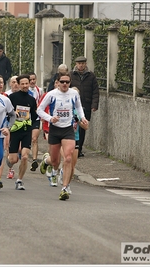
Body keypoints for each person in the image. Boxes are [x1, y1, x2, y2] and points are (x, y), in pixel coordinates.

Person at [37, 72, 88, 201]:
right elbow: (39, 110)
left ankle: (65, 188)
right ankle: (46, 161)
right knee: (55, 161)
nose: (65, 84)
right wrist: (50, 118)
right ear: (58, 82)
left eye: (67, 82)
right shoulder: (51, 95)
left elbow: (78, 107)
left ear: (70, 83)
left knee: (68, 158)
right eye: (62, 82)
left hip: (68, 130)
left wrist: (82, 118)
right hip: (55, 129)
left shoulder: (74, 94)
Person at [5, 74, 38, 190]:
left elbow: (34, 116)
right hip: (15, 131)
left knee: (24, 157)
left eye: (26, 83)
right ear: (18, 85)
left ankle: (19, 180)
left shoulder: (32, 100)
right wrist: (14, 113)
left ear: (29, 84)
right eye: (22, 84)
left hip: (26, 131)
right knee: (14, 159)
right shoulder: (12, 98)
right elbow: (6, 112)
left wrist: (30, 125)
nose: (25, 86)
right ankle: (9, 160)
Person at [70, 56, 99, 158]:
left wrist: (94, 105)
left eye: (83, 63)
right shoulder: (71, 75)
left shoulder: (91, 76)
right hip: (72, 107)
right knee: (72, 127)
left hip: (85, 105)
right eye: (79, 63)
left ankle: (79, 148)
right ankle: (72, 147)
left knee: (82, 128)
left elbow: (95, 91)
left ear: (85, 64)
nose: (81, 65)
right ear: (76, 64)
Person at [4, 75, 20, 179]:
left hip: (21, 125)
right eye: (13, 82)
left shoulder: (24, 95)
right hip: (8, 124)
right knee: (7, 146)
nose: (15, 84)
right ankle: (11, 170)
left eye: (16, 82)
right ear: (10, 84)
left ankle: (11, 161)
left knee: (19, 149)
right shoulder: (6, 95)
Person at [27, 72, 43, 171]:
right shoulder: (25, 89)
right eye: (30, 80)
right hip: (25, 118)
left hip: (36, 118)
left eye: (34, 79)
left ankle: (34, 160)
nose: (32, 81)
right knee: (27, 139)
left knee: (34, 139)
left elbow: (41, 103)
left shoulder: (39, 90)